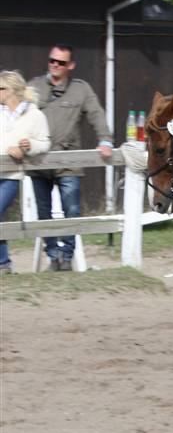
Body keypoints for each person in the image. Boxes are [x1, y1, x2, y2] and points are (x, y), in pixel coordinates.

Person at [28, 43, 113, 272]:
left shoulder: (81, 89)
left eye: (61, 62)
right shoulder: (33, 86)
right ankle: (53, 256)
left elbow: (96, 114)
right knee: (43, 212)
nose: (55, 65)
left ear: (71, 65)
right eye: (52, 60)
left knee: (71, 210)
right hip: (38, 161)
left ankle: (67, 257)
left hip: (69, 162)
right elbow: (16, 112)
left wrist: (105, 139)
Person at [0, 70, 51, 274]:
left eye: (0, 88)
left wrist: (27, 146)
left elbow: (45, 143)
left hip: (11, 175)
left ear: (11, 91)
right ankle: (3, 263)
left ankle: (3, 263)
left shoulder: (35, 115)